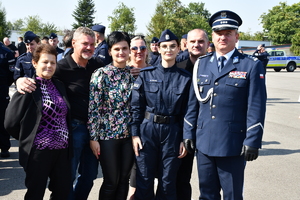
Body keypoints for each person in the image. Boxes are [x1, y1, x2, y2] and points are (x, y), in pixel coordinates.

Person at [183, 10, 267, 200]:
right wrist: (188, 132)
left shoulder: (251, 65)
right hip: (204, 142)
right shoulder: (201, 64)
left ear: (236, 37)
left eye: (228, 33)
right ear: (212, 36)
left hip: (232, 144)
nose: (223, 37)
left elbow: (256, 106)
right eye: (219, 33)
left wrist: (253, 140)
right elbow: (193, 103)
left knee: (232, 195)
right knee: (206, 194)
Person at [15, 27, 105, 200]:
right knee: (67, 178)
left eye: (92, 44)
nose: (89, 48)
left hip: (95, 131)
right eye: (85, 43)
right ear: (73, 43)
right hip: (73, 129)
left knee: (89, 176)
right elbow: (40, 76)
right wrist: (20, 80)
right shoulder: (60, 68)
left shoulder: (97, 66)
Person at [4, 44, 72, 199]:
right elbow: (10, 123)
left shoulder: (59, 85)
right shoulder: (29, 86)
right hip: (39, 152)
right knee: (35, 194)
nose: (49, 66)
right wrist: (28, 138)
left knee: (62, 191)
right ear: (35, 63)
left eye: (53, 62)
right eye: (45, 62)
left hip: (62, 151)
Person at [131, 29, 189, 200]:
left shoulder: (185, 78)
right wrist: (134, 134)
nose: (168, 50)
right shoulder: (146, 75)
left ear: (179, 48)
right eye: (165, 46)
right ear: (159, 48)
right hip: (147, 131)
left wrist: (184, 138)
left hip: (172, 132)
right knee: (144, 179)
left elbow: (188, 111)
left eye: (172, 46)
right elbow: (136, 107)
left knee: (168, 181)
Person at [88, 31, 135, 200]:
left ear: (129, 50)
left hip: (129, 136)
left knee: (124, 180)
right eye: (116, 49)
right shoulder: (101, 74)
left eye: (124, 48)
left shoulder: (132, 75)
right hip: (107, 136)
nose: (121, 52)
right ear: (109, 51)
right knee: (111, 181)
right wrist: (93, 138)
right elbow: (94, 109)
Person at [176, 28, 210, 200]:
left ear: (208, 44)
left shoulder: (215, 67)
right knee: (178, 177)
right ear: (186, 44)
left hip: (208, 130)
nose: (197, 45)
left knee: (208, 182)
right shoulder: (178, 67)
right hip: (182, 131)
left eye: (201, 41)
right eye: (193, 41)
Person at [127, 35, 150, 200]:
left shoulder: (154, 70)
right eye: (134, 48)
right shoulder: (121, 70)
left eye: (142, 48)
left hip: (147, 128)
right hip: (122, 129)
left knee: (142, 170)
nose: (138, 51)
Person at [0, 42, 15, 158]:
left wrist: (4, 85)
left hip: (1, 91)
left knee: (2, 119)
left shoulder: (6, 53)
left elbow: (11, 74)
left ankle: (4, 147)